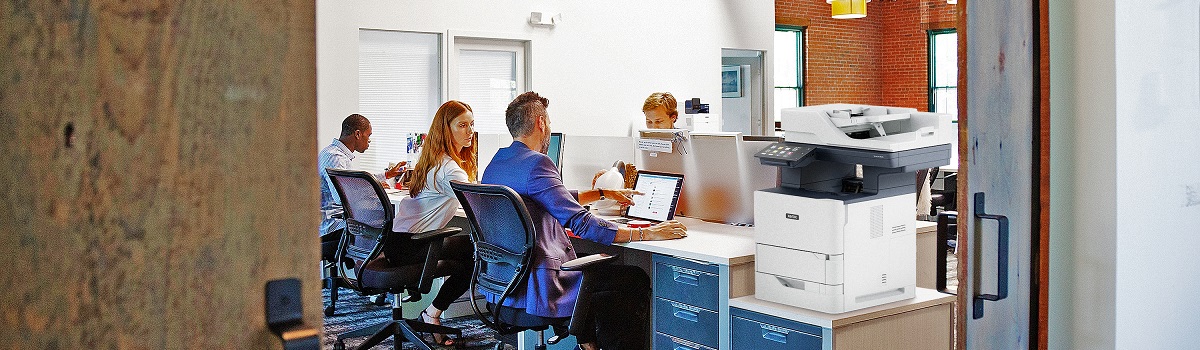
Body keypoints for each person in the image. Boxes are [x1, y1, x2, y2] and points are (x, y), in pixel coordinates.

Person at [483, 91, 689, 350]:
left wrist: (601, 193)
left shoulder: (497, 162)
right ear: (541, 123)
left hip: (506, 284)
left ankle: (587, 344)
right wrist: (647, 234)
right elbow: (582, 223)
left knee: (595, 273)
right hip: (540, 286)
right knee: (633, 278)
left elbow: (544, 198)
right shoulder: (538, 163)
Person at [390, 100, 479, 346]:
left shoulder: (431, 159)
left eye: (472, 124)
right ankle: (432, 313)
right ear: (445, 129)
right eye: (462, 125)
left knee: (466, 252)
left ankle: (432, 313)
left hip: (397, 241)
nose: (470, 131)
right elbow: (480, 204)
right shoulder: (450, 170)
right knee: (477, 253)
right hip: (413, 246)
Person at [318, 113, 406, 237]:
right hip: (333, 226)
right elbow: (341, 197)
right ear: (358, 134)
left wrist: (387, 174)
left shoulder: (333, 153)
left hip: (338, 220)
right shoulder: (336, 158)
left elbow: (354, 180)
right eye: (368, 135)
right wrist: (374, 189)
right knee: (389, 229)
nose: (369, 140)